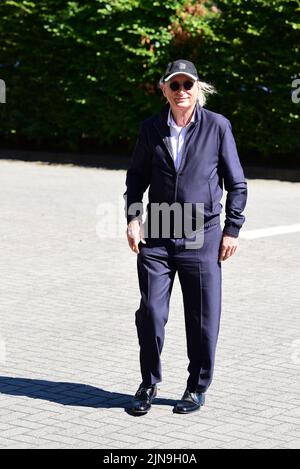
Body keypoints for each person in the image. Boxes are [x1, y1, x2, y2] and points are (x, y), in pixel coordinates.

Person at [123, 59, 247, 415]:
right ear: (164, 90)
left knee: (203, 316)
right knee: (150, 312)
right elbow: (136, 179)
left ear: (197, 89)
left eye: (187, 85)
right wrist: (134, 218)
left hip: (202, 230)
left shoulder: (217, 127)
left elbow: (236, 183)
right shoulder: (151, 129)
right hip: (159, 230)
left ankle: (196, 386)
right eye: (174, 86)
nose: (181, 92)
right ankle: (148, 382)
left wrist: (232, 229)